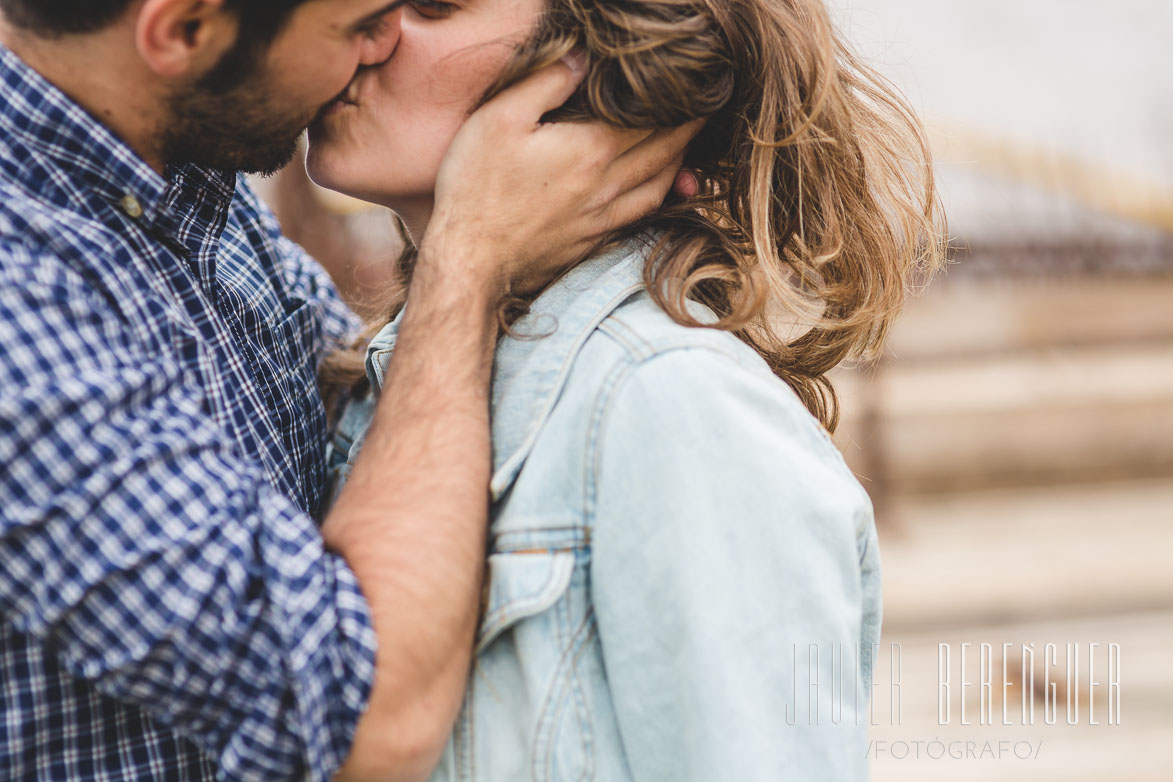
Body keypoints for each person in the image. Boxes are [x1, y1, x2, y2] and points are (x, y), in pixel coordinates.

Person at [0, 0, 699, 780]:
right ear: (184, 29)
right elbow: (355, 714)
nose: (382, 39)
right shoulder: (21, 295)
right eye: (359, 22)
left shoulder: (191, 199)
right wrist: (467, 254)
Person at [311, 0, 947, 779]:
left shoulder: (676, 407)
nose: (366, 27)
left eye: (433, 5)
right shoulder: (395, 367)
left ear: (594, 69)